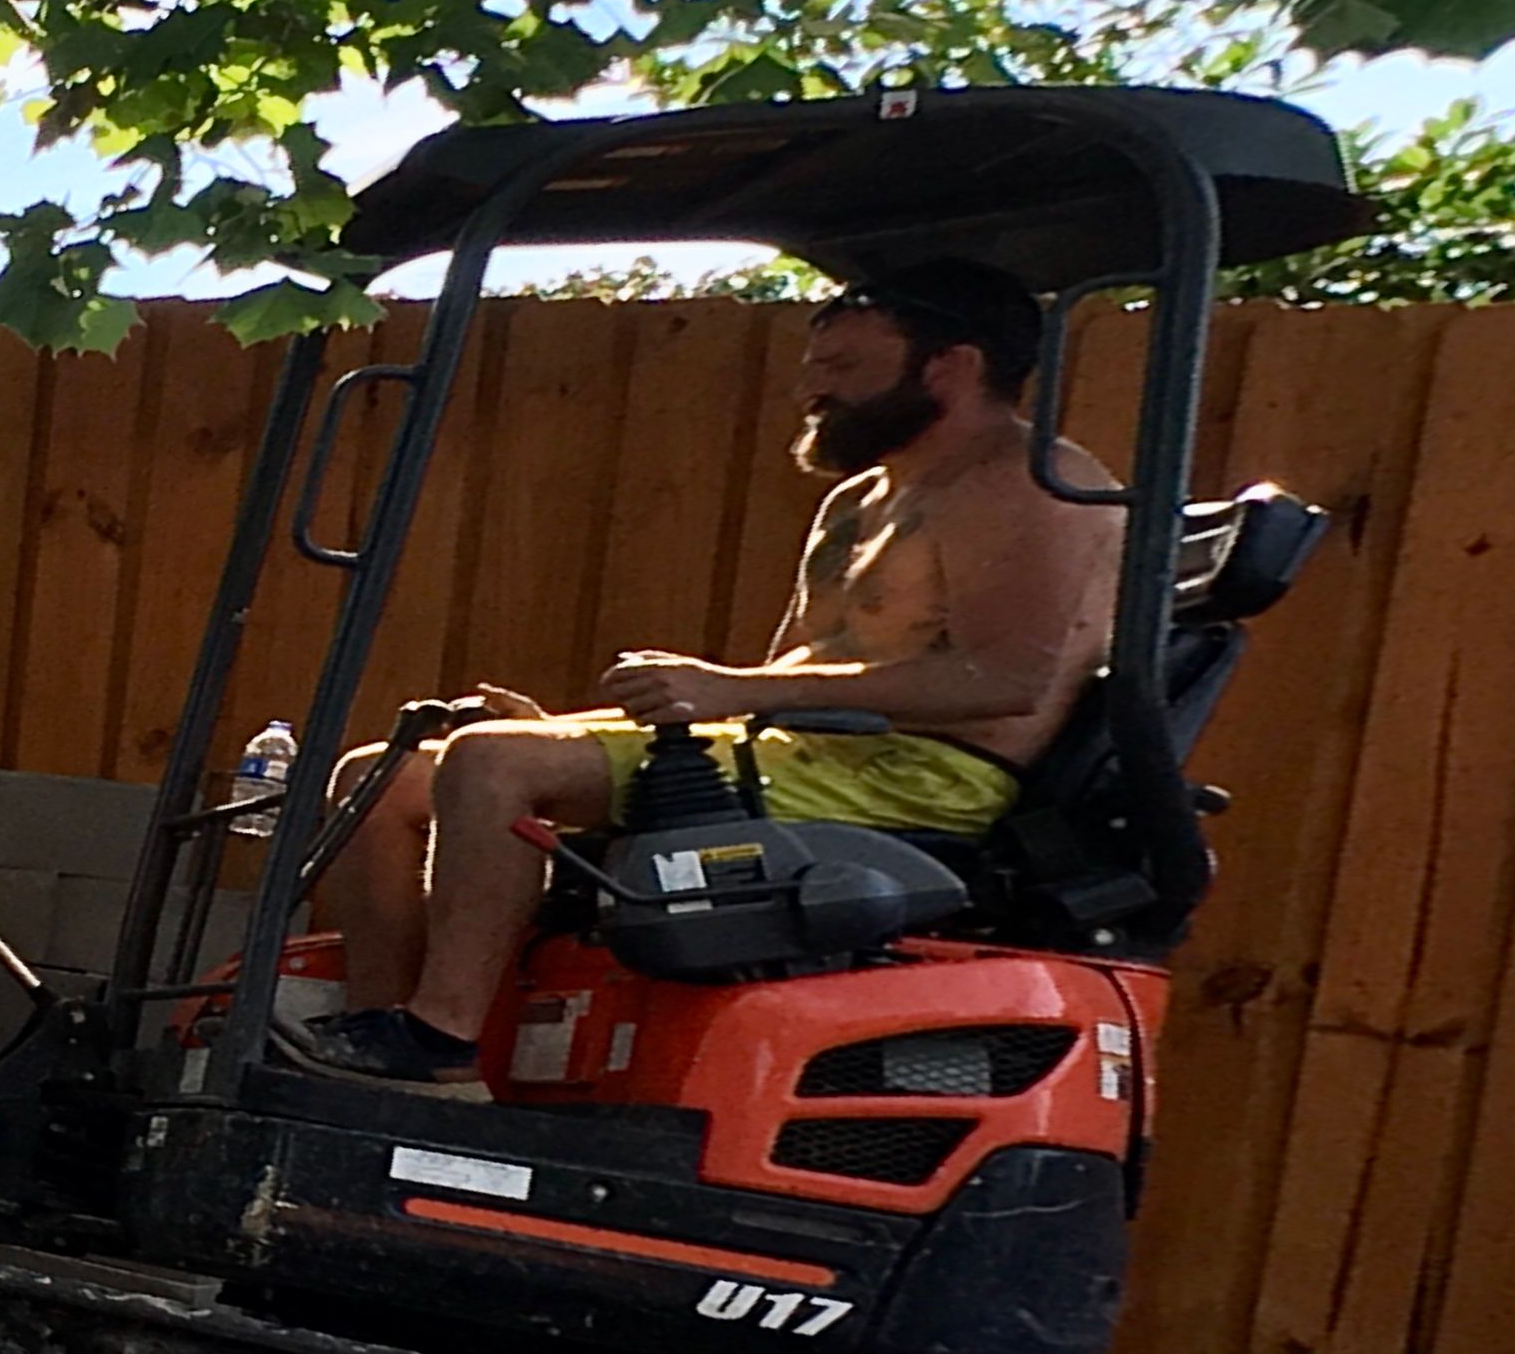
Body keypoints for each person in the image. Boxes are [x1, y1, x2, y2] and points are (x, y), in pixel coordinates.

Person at [310, 259, 1122, 1090]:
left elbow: (1006, 679)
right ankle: (384, 1034)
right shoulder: (861, 499)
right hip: (813, 754)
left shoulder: (1029, 482)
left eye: (842, 369)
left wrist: (738, 693)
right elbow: (792, 680)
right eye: (814, 366)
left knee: (494, 762)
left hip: (927, 778)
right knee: (383, 778)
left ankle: (442, 1046)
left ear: (951, 366)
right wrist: (565, 731)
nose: (815, 387)